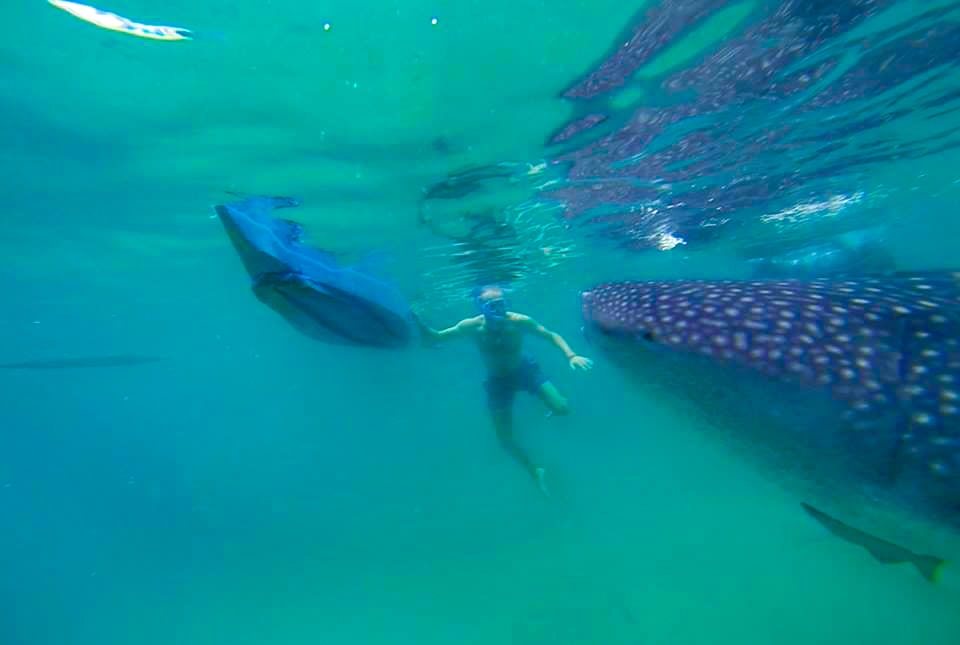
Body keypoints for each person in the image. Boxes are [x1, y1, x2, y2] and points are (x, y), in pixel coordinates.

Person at [414, 285, 593, 495]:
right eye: (493, 305)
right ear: (481, 306)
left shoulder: (519, 321)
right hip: (498, 381)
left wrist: (571, 356)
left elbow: (550, 335)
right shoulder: (471, 326)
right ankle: (535, 470)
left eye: (502, 303)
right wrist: (417, 319)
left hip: (524, 370)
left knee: (562, 408)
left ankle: (550, 406)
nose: (500, 309)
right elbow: (437, 337)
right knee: (505, 440)